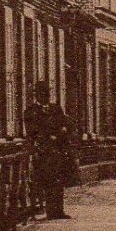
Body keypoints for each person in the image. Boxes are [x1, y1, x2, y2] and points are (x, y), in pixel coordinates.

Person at [24, 82, 77, 219]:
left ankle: (58, 210)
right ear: (37, 95)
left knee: (58, 181)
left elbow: (65, 125)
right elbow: (32, 131)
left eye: (46, 93)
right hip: (43, 152)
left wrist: (59, 135)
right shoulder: (31, 111)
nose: (44, 96)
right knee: (45, 181)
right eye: (41, 93)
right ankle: (47, 210)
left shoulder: (56, 109)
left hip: (58, 150)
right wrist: (49, 136)